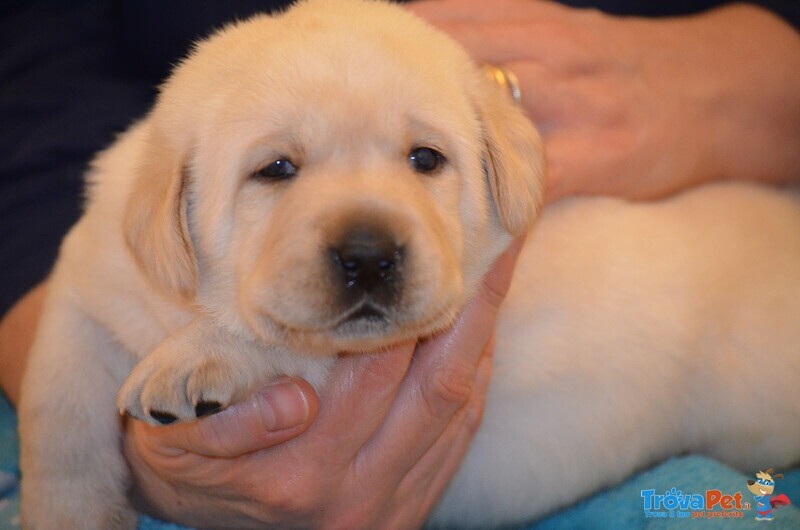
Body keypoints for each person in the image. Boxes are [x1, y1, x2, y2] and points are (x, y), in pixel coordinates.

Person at [1, 0, 799, 527]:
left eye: (424, 157)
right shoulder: (137, 197)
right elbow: (75, 299)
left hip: (742, 297)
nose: (368, 243)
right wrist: (68, 486)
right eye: (277, 169)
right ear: (170, 206)